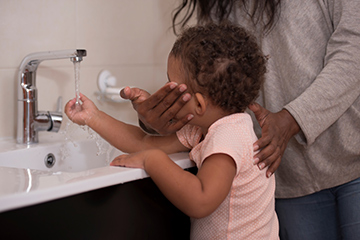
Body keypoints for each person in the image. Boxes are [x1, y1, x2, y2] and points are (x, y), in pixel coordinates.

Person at [120, 1, 360, 239]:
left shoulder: (228, 137)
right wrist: (155, 120)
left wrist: (292, 119)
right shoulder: (220, 6)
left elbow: (354, 52)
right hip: (285, 175)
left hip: (350, 160)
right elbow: (209, 85)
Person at [65, 23, 279, 239]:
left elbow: (201, 200)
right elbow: (143, 142)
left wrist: (153, 160)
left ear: (198, 105)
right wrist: (93, 117)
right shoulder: (202, 129)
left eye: (170, 83)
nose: (164, 88)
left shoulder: (229, 136)